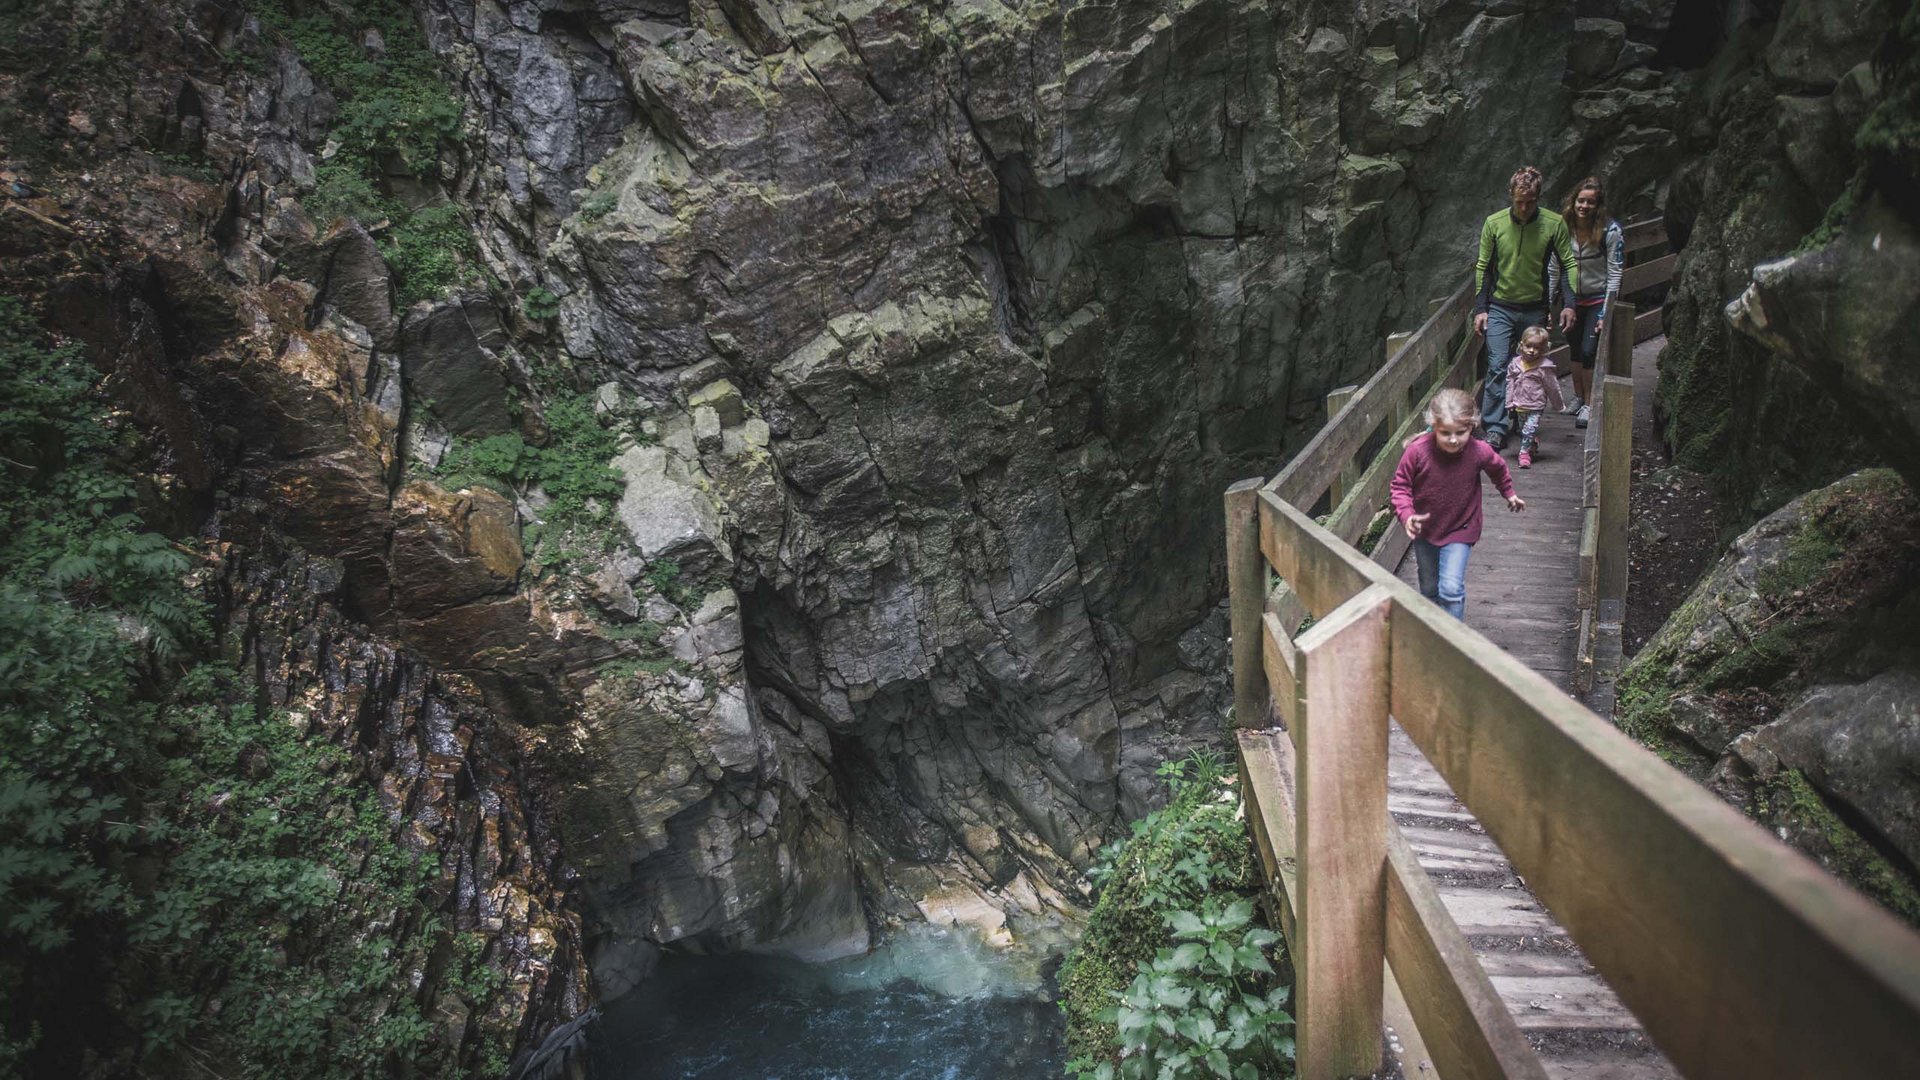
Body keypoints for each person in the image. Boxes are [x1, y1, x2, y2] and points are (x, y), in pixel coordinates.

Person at [1390, 388, 1525, 620]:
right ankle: (1433, 634)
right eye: (1446, 433)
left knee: (1451, 589)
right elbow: (1400, 486)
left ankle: (1455, 642)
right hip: (1425, 529)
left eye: (1460, 432)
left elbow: (1498, 468)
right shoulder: (1417, 452)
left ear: (1471, 426)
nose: (1453, 440)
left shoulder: (1479, 451)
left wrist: (1509, 493)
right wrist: (1407, 515)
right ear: (1434, 426)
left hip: (1462, 526)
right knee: (1429, 589)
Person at [1472, 165, 1578, 449]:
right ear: (1510, 195)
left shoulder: (1553, 224)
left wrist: (1569, 304)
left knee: (1528, 366)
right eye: (1519, 201)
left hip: (1534, 307)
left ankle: (1522, 415)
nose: (1523, 207)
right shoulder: (1494, 223)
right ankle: (1495, 427)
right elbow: (1483, 266)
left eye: (1530, 202)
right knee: (1496, 365)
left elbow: (1568, 263)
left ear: (1538, 197)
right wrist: (1480, 308)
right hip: (1500, 306)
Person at [1560, 177, 1624, 429]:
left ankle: (1589, 403)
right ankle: (1578, 397)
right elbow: (1556, 265)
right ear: (1573, 201)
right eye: (1581, 200)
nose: (1584, 206)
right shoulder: (1564, 228)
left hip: (1597, 298)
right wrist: (1558, 300)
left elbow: (1615, 271)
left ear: (1598, 206)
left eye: (1590, 202)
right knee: (1574, 349)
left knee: (1589, 350)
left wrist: (1606, 313)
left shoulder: (1611, 231)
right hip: (1573, 298)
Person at [1504, 325, 1565, 468]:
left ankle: (1524, 454)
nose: (1532, 350)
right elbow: (1510, 383)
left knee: (1528, 429)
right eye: (1528, 346)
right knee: (1522, 429)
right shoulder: (1515, 364)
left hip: (1536, 404)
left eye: (1537, 347)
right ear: (1522, 345)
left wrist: (1558, 405)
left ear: (1544, 349)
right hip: (1519, 403)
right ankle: (1532, 442)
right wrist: (1509, 401)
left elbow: (1552, 387)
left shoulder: (1544, 367)